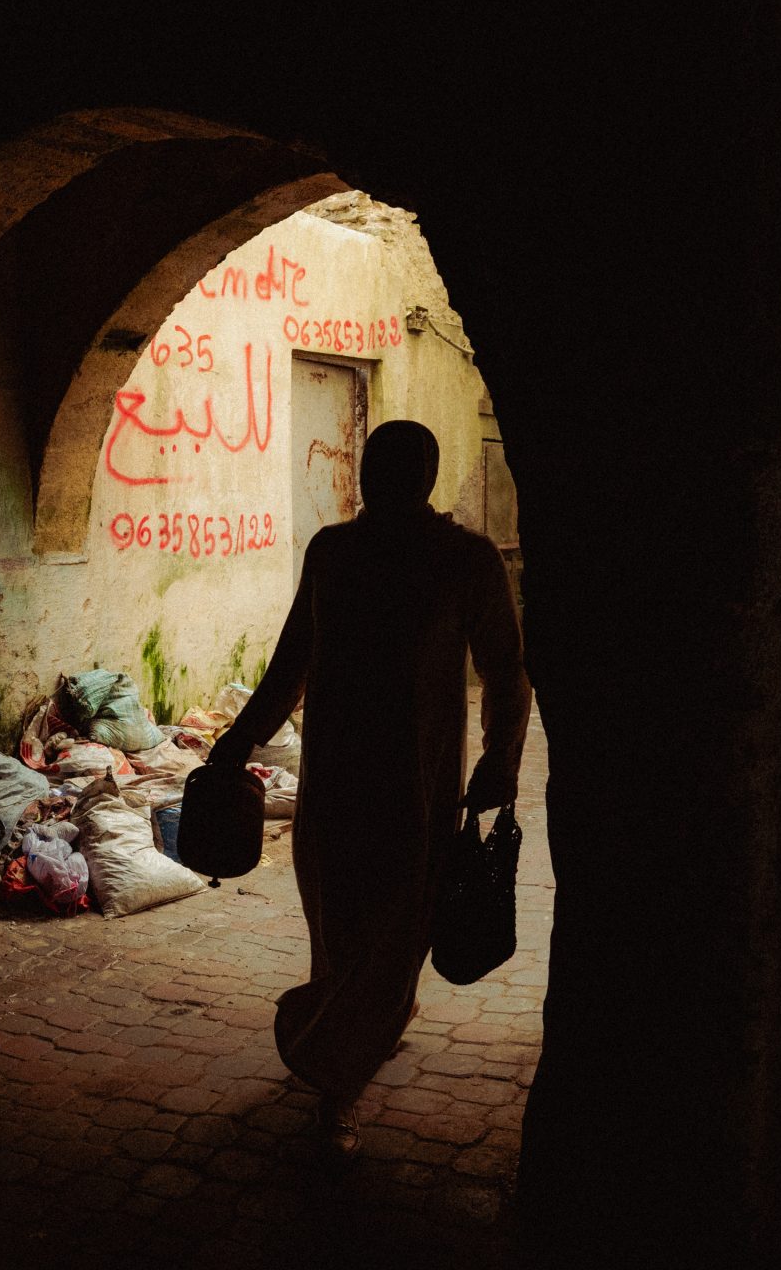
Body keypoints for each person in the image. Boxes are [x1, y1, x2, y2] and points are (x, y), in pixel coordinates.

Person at [210, 420, 531, 1156]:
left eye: (402, 465)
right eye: (378, 464)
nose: (384, 478)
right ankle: (361, 1027)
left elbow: (507, 669)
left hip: (417, 787)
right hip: (334, 782)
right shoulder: (334, 553)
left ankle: (338, 1079)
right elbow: (293, 660)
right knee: (343, 928)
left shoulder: (464, 560)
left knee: (396, 928)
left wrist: (502, 758)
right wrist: (236, 742)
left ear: (425, 474)